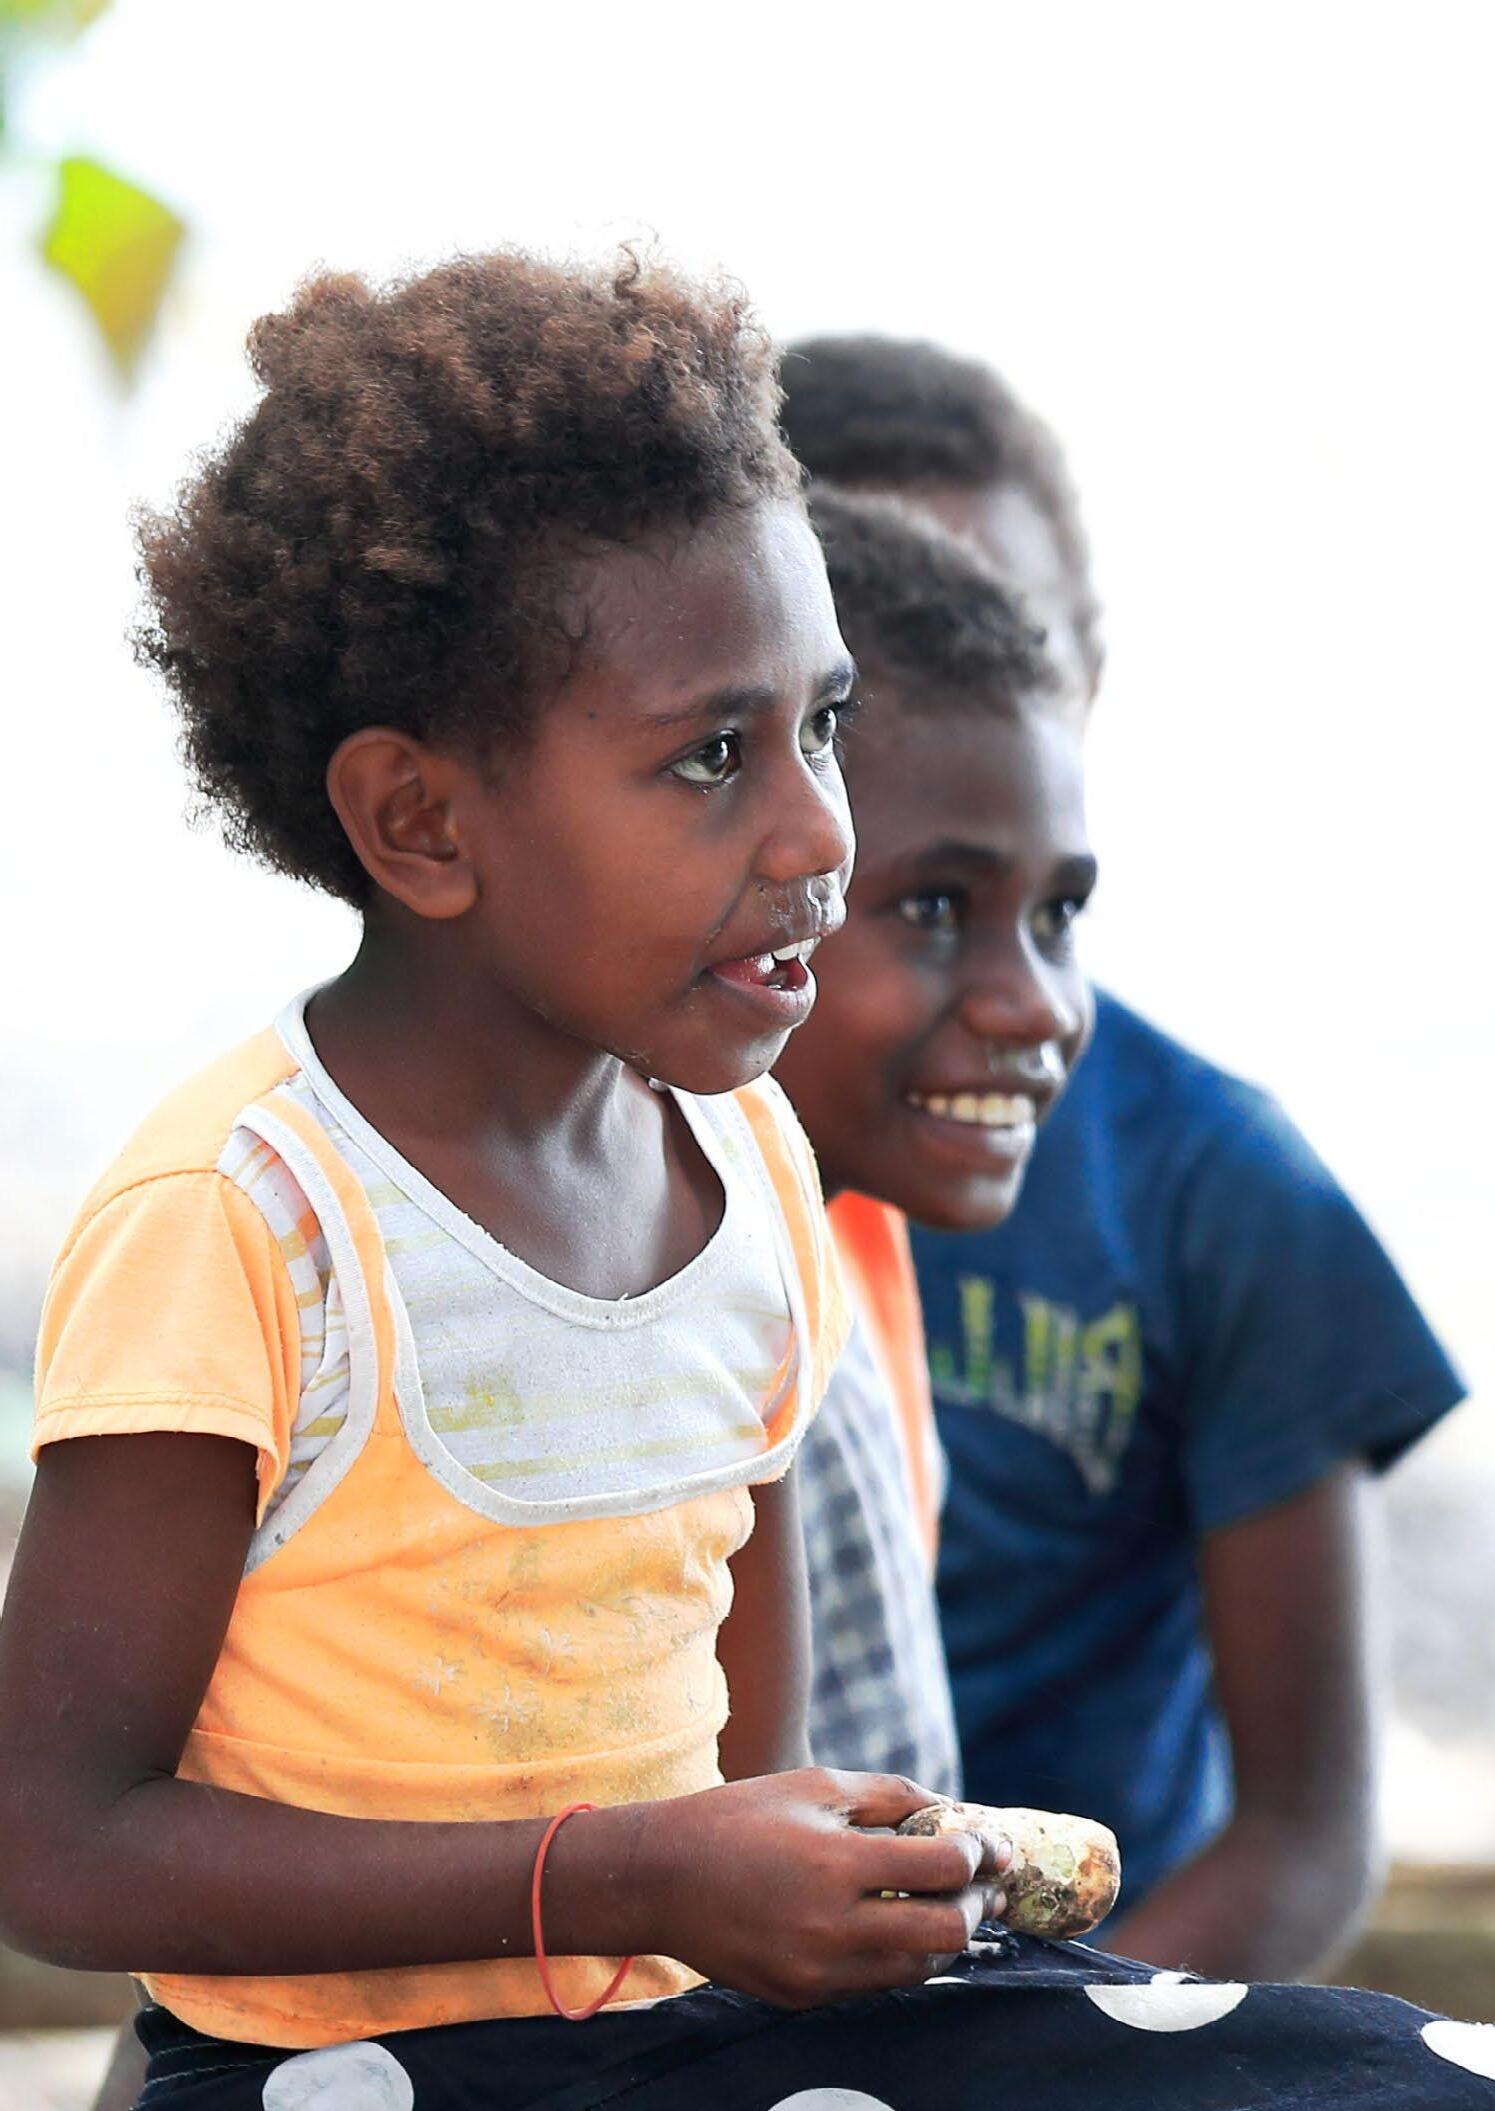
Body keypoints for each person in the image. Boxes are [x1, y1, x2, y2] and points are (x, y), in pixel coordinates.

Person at [11, 256, 1492, 2111]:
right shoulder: (242, 1222)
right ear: (420, 820)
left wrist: (835, 1879)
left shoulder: (745, 1164)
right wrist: (627, 1879)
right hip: (348, 2077)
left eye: (824, 727)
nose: (816, 833)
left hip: (698, 2052)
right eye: (715, 755)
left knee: (1397, 2079)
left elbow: (746, 1783)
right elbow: (56, 1848)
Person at [780, 336, 1468, 1981]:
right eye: (841, 665)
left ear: (1075, 674)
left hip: (1068, 1998)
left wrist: (1051, 2054)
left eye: (985, 624)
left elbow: (1308, 1832)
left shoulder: (1224, 1191)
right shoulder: (633, 1195)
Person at [785, 488, 1094, 1803]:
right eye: (934, 908)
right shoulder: (654, 1313)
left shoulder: (846, 1236)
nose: (1037, 1006)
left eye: (1059, 916)